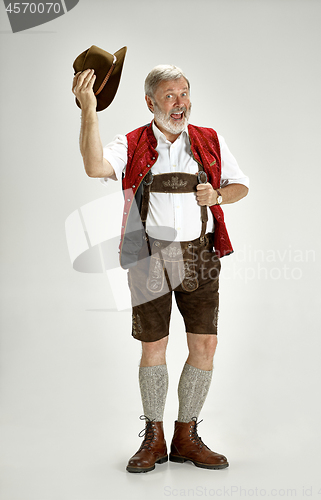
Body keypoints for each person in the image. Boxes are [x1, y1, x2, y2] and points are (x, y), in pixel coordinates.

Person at [72, 64, 249, 473]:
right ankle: (154, 436)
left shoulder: (210, 140)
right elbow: (94, 166)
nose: (180, 103)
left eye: (184, 93)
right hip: (149, 258)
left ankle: (186, 435)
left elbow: (241, 185)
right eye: (170, 96)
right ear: (150, 102)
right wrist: (88, 110)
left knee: (205, 346)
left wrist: (218, 194)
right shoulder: (131, 142)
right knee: (154, 347)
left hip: (200, 257)